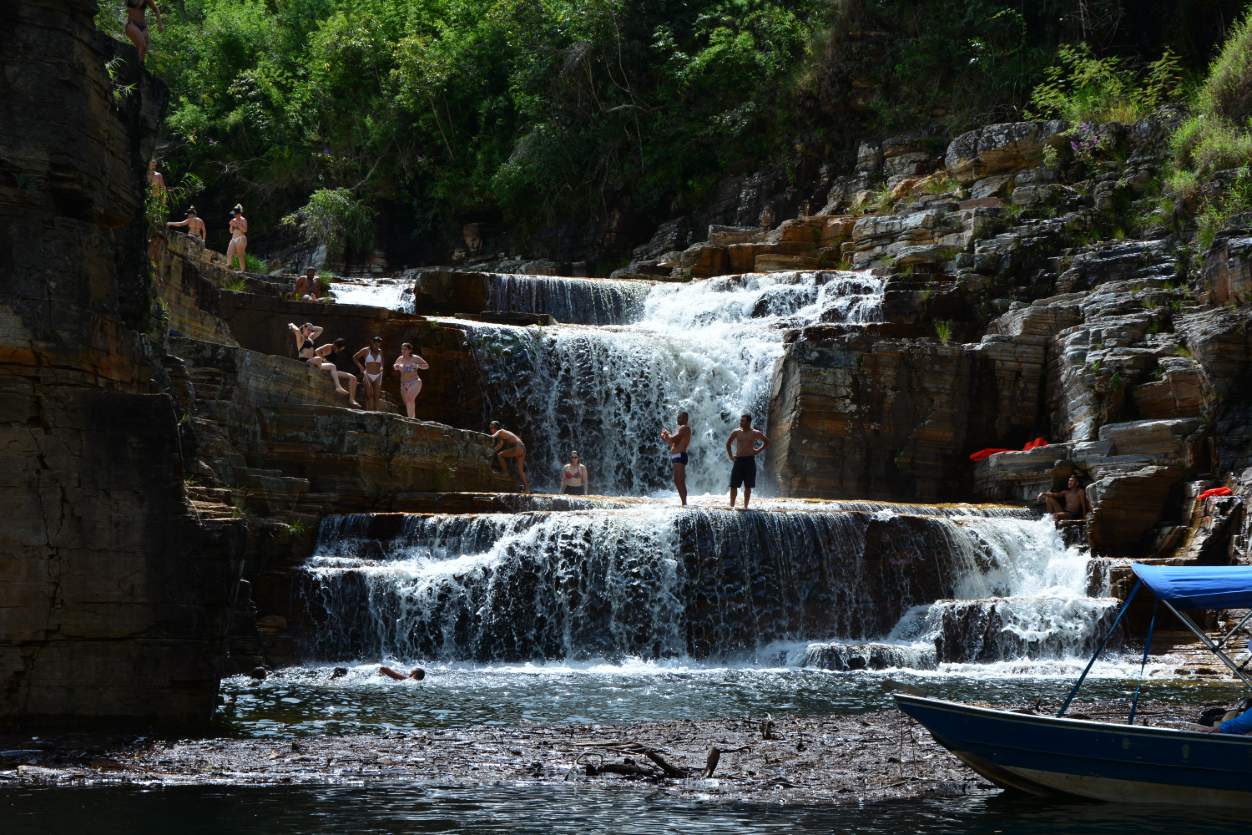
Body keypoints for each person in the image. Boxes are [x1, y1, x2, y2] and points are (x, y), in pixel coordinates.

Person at [725, 414, 768, 510]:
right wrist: (731, 457)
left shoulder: (755, 433)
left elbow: (766, 442)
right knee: (733, 485)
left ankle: (745, 507)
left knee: (748, 486)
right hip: (738, 460)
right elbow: (728, 444)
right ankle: (732, 506)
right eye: (741, 420)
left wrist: (757, 451)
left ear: (749, 422)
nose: (741, 422)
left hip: (749, 461)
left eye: (743, 421)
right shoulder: (736, 432)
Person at [660, 411, 692, 507]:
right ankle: (684, 502)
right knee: (678, 481)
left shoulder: (685, 428)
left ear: (685, 419)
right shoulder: (680, 429)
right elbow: (672, 443)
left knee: (679, 481)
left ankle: (684, 503)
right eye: (678, 417)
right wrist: (665, 437)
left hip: (680, 455)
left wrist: (667, 434)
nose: (678, 419)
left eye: (680, 417)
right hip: (677, 456)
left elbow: (672, 439)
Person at [489, 421, 529, 493]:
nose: (490, 429)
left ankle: (505, 472)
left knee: (500, 455)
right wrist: (492, 451)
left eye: (491, 428)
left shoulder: (501, 431)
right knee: (520, 470)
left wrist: (488, 438)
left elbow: (492, 437)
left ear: (495, 428)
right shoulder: (502, 434)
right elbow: (500, 445)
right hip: (523, 448)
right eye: (490, 428)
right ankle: (527, 489)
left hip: (518, 447)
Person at [393, 342, 430, 419]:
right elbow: (395, 366)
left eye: (405, 349)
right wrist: (396, 366)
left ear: (410, 350)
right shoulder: (400, 358)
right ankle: (412, 418)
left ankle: (411, 419)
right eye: (402, 349)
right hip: (403, 383)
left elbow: (426, 366)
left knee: (410, 399)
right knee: (407, 402)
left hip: (415, 381)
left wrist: (417, 365)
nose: (403, 351)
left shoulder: (415, 358)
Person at [354, 336, 386, 411]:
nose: (377, 346)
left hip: (378, 375)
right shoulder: (365, 350)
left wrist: (382, 368)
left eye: (379, 344)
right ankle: (368, 412)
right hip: (368, 375)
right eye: (376, 344)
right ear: (372, 343)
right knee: (369, 395)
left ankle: (376, 412)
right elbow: (355, 358)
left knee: (377, 396)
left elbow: (382, 362)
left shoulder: (380, 351)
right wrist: (360, 367)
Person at [226, 204, 248, 272]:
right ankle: (229, 267)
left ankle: (242, 270)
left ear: (239, 214)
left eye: (235, 214)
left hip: (241, 238)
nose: (234, 215)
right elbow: (231, 232)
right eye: (234, 214)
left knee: (240, 255)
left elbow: (245, 230)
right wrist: (231, 225)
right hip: (233, 238)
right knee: (229, 253)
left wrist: (237, 225)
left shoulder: (243, 220)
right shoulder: (233, 220)